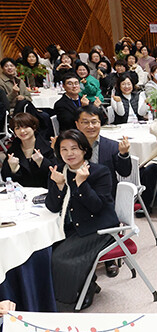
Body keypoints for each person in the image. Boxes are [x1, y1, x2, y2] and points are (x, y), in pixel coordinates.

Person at [46, 129, 120, 310]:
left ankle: (66, 302)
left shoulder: (99, 172)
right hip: (72, 226)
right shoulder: (59, 172)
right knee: (43, 251)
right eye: (64, 149)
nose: (69, 153)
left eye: (74, 148)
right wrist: (59, 185)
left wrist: (82, 184)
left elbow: (97, 207)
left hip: (99, 227)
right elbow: (52, 207)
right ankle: (87, 283)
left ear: (84, 150)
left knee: (60, 259)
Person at [0, 113, 55, 188]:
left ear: (34, 127)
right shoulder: (13, 150)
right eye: (17, 128)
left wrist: (42, 162)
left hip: (46, 190)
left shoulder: (48, 147)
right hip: (22, 192)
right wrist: (13, 169)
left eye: (25, 127)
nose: (22, 131)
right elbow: (5, 177)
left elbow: (56, 173)